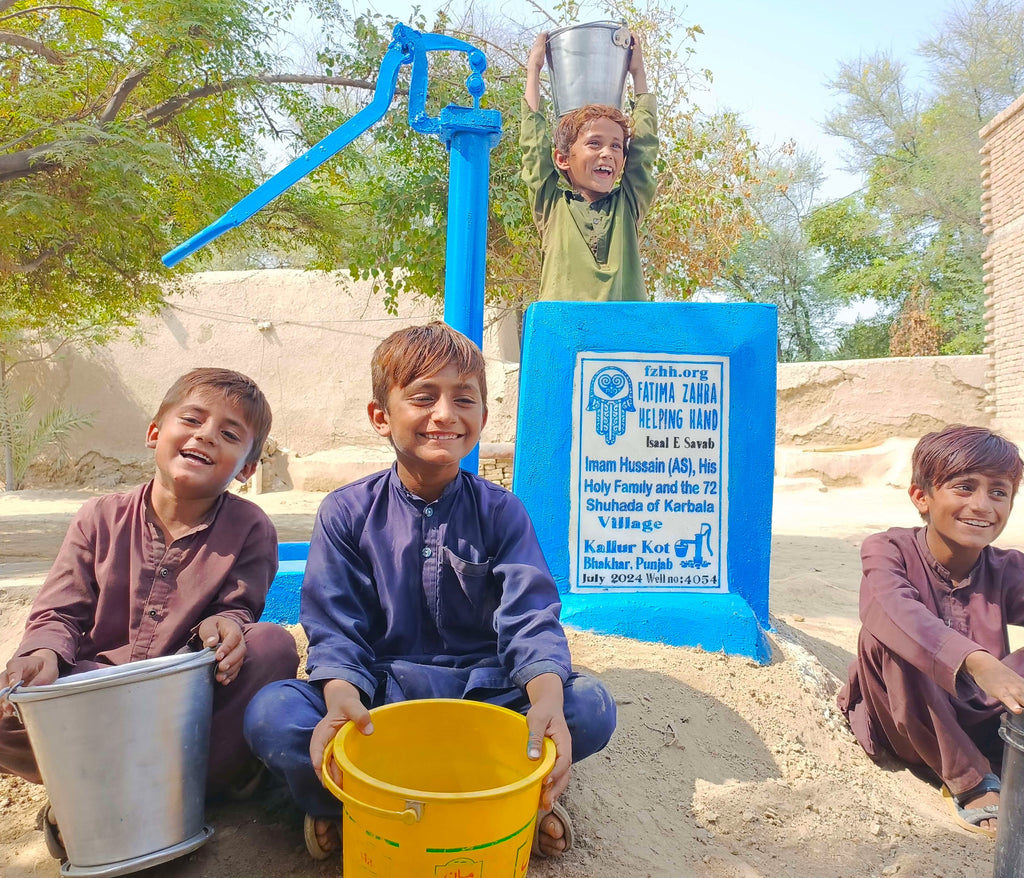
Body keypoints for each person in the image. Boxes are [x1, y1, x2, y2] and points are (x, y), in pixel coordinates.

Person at [243, 322, 616, 861]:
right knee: (273, 713)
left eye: (463, 399)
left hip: (485, 699)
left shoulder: (501, 511)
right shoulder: (346, 513)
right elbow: (333, 624)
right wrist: (342, 697)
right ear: (381, 416)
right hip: (380, 700)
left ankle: (512, 810)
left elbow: (530, 616)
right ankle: (347, 809)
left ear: (482, 419)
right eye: (423, 397)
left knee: (587, 706)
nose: (445, 414)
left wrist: (545, 698)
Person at [0, 368, 300, 859]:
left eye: (229, 434)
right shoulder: (98, 517)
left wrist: (225, 628)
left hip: (188, 707)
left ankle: (94, 793)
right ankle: (185, 785)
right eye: (193, 419)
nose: (206, 435)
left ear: (246, 468)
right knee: (9, 705)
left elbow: (238, 612)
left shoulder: (250, 527)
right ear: (155, 432)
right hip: (95, 699)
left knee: (273, 646)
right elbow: (59, 613)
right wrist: (43, 654)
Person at [837, 425, 1024, 839]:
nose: (982, 505)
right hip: (910, 717)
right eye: (964, 487)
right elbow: (890, 607)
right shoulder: (889, 549)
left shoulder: (1009, 568)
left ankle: (1002, 759)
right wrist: (978, 662)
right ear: (921, 496)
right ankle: (971, 781)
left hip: (987, 719)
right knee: (885, 634)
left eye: (999, 492)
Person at [521, 30, 658, 301]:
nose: (607, 152)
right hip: (564, 338)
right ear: (562, 159)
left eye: (616, 145)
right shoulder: (552, 207)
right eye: (594, 143)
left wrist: (638, 73)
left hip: (622, 340)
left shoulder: (627, 205)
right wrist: (534, 70)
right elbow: (533, 150)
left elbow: (644, 149)